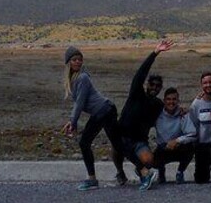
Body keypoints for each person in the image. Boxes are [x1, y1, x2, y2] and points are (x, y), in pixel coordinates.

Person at [61, 46, 127, 191]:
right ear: (68, 63)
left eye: (80, 59)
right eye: (74, 60)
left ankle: (144, 172)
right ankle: (139, 172)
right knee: (116, 144)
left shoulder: (83, 78)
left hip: (104, 110)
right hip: (103, 111)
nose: (78, 62)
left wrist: (73, 121)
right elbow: (79, 103)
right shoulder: (74, 80)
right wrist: (72, 122)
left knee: (88, 143)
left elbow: (80, 103)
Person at [116, 39, 174, 191]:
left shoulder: (158, 105)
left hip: (139, 141)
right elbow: (140, 74)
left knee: (149, 160)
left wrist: (182, 111)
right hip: (122, 136)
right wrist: (155, 53)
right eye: (152, 85)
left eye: (158, 86)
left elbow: (170, 110)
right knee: (117, 149)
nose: (154, 88)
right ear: (147, 85)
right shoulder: (136, 93)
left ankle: (141, 168)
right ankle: (120, 172)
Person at [153, 87, 196, 184]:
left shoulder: (183, 115)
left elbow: (192, 134)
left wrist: (177, 141)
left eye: (174, 99)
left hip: (178, 147)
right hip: (162, 149)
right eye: (168, 99)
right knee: (152, 158)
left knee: (191, 146)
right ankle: (161, 172)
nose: (171, 102)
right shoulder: (157, 115)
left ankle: (180, 172)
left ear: (178, 100)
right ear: (164, 101)